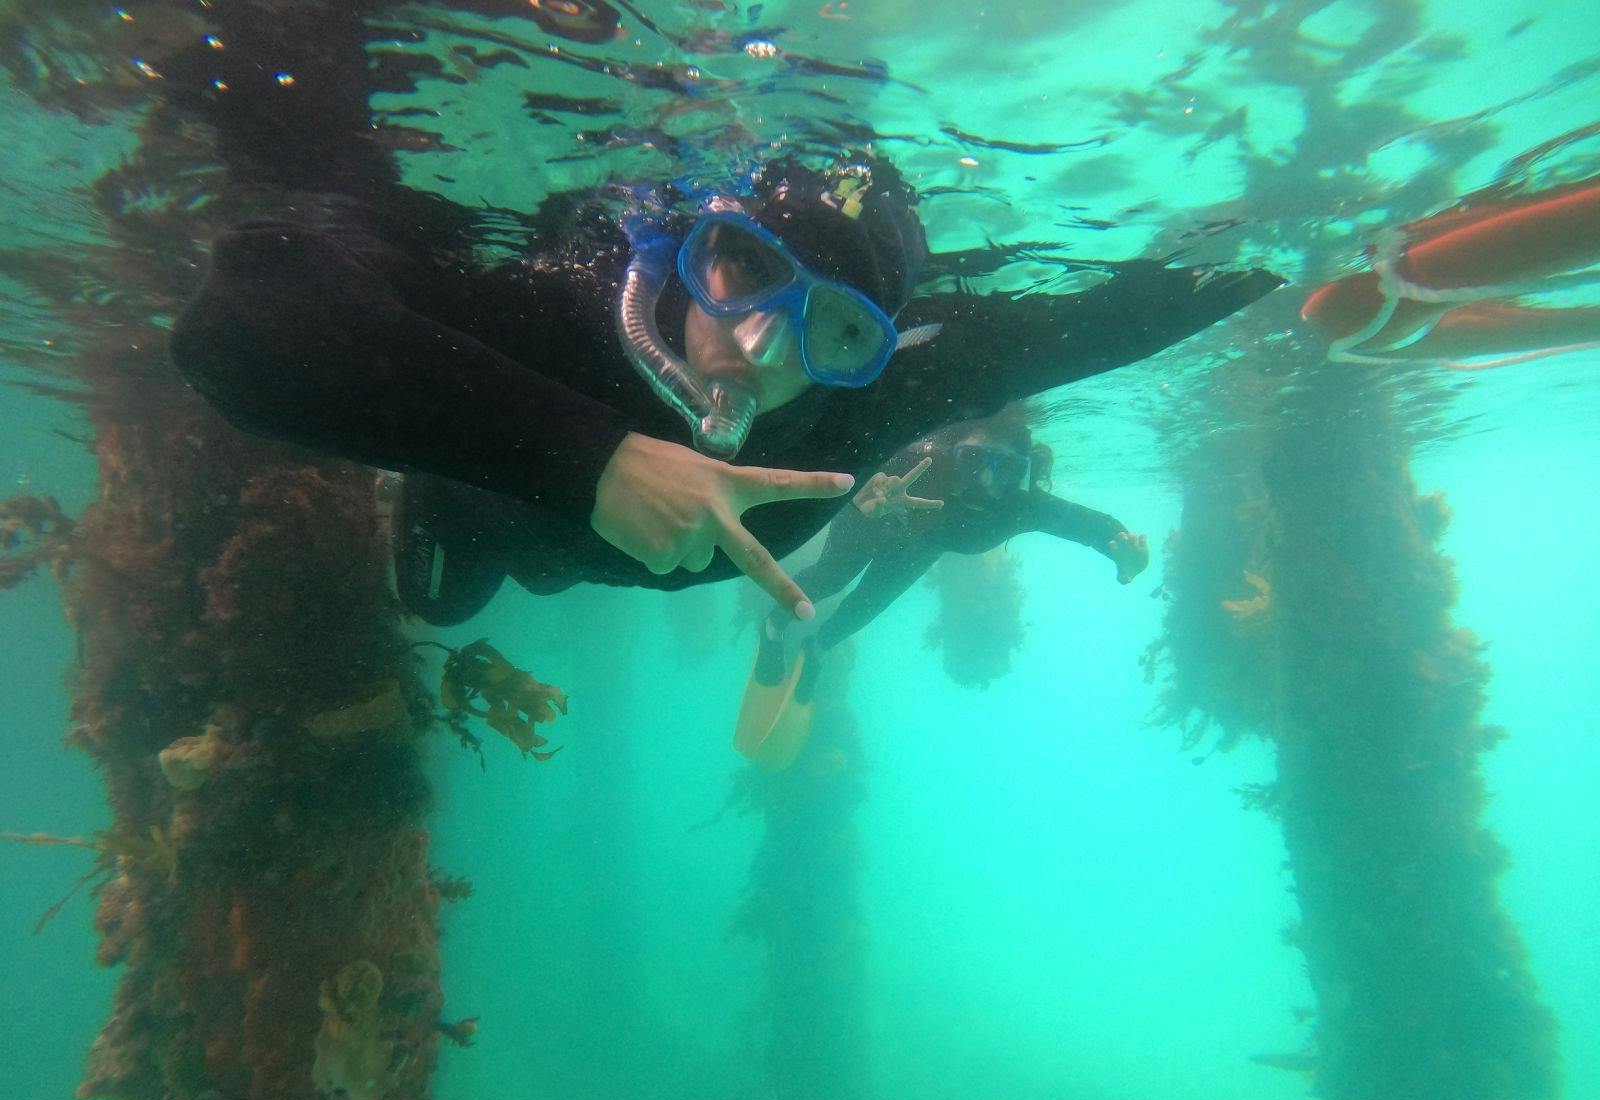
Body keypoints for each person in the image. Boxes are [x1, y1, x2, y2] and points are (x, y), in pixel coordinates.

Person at [162, 3, 1283, 630]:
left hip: (563, 556)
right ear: (682, 248)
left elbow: (1118, 320)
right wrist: (589, 462)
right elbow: (236, 328)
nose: (756, 343)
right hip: (490, 505)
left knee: (485, 597)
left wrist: (1309, 252)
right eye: (742, 271)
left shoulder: (896, 387)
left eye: (836, 330)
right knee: (438, 598)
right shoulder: (563, 303)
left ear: (879, 348)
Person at [733, 415, 1149, 768]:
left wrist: (1127, 560)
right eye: (972, 460)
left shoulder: (1022, 505)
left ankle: (817, 649)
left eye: (1005, 468)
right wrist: (864, 498)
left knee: (865, 608)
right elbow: (850, 460)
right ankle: (772, 629)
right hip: (873, 517)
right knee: (831, 577)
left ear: (1022, 473)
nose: (985, 479)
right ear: (953, 451)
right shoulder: (920, 460)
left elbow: (1092, 526)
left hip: (918, 547)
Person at [1301, 174, 1600, 368]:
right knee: (1345, 315)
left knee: (1344, 315)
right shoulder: (1347, 322)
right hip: (1364, 324)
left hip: (1363, 324)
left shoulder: (1347, 322)